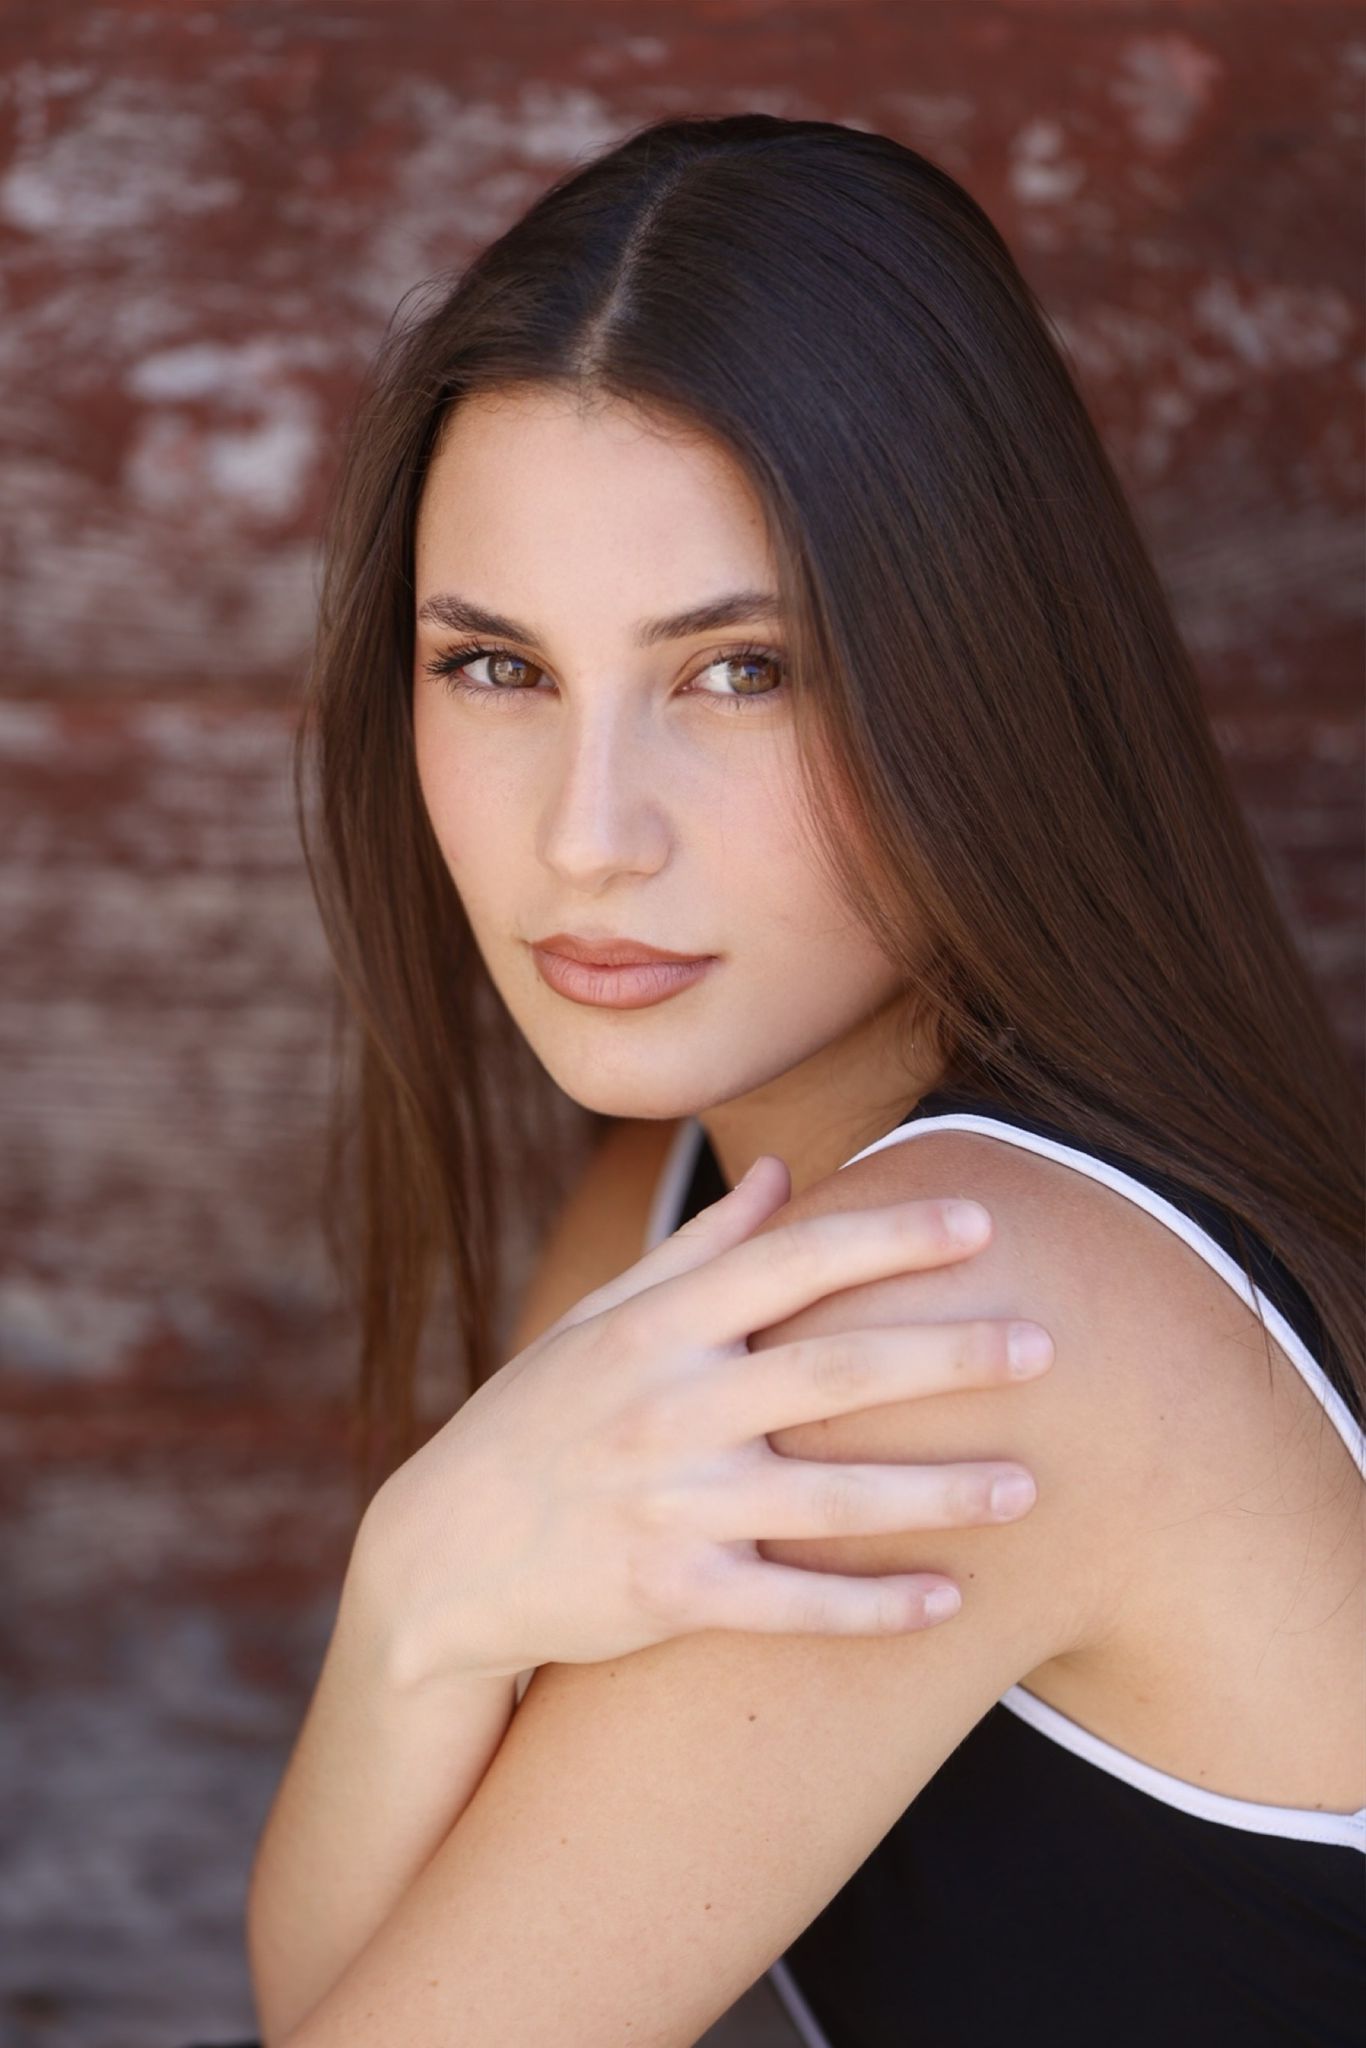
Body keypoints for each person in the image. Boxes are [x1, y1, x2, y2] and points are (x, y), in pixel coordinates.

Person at [231, 113, 1364, 2046]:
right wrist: (415, 1612)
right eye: (496, 667)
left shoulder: (959, 1319)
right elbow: (344, 1992)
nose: (587, 838)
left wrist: (417, 1582)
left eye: (741, 669)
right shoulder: (680, 1202)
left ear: (974, 675)